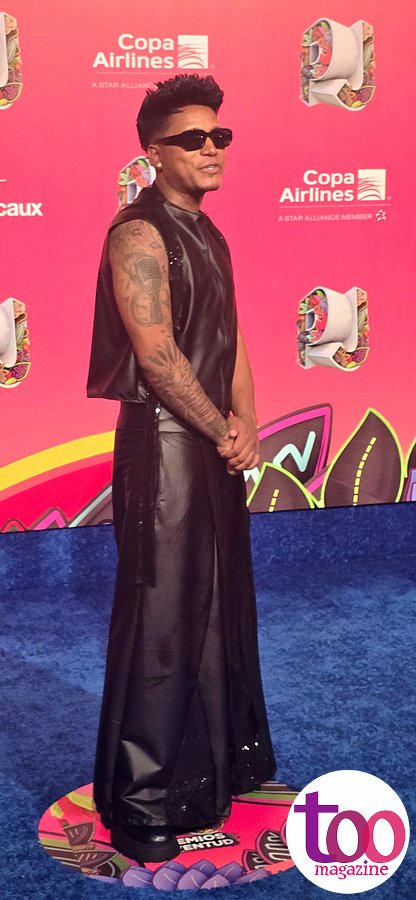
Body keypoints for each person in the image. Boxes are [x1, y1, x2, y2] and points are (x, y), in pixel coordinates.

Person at [86, 73, 276, 864]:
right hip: (164, 447)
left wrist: (248, 424)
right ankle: (140, 803)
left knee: (218, 607)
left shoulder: (211, 232)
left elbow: (231, 337)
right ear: (153, 152)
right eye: (192, 139)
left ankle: (207, 779)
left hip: (210, 443)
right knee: (162, 621)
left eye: (218, 136)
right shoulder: (137, 233)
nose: (211, 149)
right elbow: (158, 356)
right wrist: (219, 428)